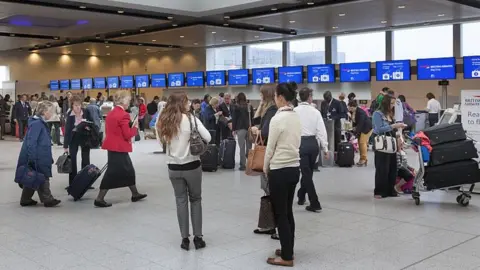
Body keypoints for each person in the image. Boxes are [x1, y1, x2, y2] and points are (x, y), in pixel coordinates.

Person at [157, 92, 211, 251]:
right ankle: (198, 238)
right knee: (195, 199)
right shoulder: (192, 119)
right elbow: (207, 137)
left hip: (173, 167)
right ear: (182, 103)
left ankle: (184, 239)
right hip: (191, 166)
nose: (189, 104)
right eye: (187, 101)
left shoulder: (163, 121)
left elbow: (161, 142)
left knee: (180, 200)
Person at [264, 83, 301, 267]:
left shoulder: (277, 119)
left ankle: (286, 257)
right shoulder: (296, 116)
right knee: (288, 212)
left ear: (280, 97)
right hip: (295, 168)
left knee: (280, 215)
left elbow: (270, 148)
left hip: (279, 169)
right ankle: (288, 248)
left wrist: (265, 167)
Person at [95, 90, 147, 207]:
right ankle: (99, 198)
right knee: (113, 173)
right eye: (128, 100)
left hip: (112, 146)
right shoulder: (124, 115)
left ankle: (135, 193)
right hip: (120, 147)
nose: (129, 102)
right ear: (123, 100)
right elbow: (127, 134)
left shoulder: (111, 113)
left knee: (128, 170)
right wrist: (135, 128)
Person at [17, 101, 61, 207]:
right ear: (45, 112)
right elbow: (31, 142)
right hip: (38, 156)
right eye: (51, 111)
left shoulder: (40, 123)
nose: (52, 114)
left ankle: (26, 199)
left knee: (33, 177)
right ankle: (48, 199)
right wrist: (32, 158)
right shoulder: (37, 124)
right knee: (43, 176)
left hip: (41, 154)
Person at [294, 88, 328, 212]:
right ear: (309, 97)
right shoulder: (315, 112)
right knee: (308, 173)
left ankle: (315, 203)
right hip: (313, 144)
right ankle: (301, 196)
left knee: (306, 173)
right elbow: (321, 131)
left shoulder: (294, 111)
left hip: (300, 144)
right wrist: (325, 148)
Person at [251, 84, 278, 238]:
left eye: (261, 95)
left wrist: (257, 131)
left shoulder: (272, 111)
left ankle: (273, 225)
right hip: (267, 152)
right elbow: (256, 120)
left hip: (268, 154)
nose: (260, 97)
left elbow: (265, 131)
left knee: (269, 189)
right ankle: (269, 224)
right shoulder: (267, 110)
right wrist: (260, 106)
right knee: (267, 188)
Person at [372, 95, 406, 199]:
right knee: (382, 168)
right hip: (382, 143)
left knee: (392, 167)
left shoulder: (390, 114)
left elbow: (393, 129)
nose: (392, 106)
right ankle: (380, 191)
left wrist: (399, 136)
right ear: (385, 103)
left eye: (393, 104)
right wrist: (393, 126)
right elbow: (379, 129)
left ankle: (390, 190)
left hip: (392, 142)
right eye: (391, 103)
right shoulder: (377, 114)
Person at [63, 95, 92, 188]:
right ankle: (72, 182)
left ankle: (86, 181)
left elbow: (92, 123)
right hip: (73, 138)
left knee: (86, 159)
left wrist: (89, 127)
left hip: (85, 137)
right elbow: (67, 131)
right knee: (73, 160)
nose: (78, 107)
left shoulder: (86, 112)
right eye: (75, 105)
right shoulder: (70, 115)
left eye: (79, 105)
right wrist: (65, 145)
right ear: (72, 105)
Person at [232, 92, 253, 171]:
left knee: (241, 148)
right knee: (249, 147)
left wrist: (233, 129)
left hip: (240, 129)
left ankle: (242, 165)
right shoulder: (249, 106)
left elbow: (234, 119)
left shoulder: (236, 107)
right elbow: (252, 117)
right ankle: (250, 164)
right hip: (249, 129)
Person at [348, 100, 372, 166]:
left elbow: (360, 124)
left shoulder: (360, 112)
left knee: (362, 142)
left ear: (355, 107)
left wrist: (355, 133)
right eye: (349, 108)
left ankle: (363, 159)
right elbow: (355, 122)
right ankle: (362, 159)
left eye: (351, 108)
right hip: (361, 129)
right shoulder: (352, 112)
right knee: (359, 143)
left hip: (366, 128)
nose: (350, 109)